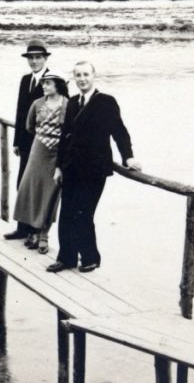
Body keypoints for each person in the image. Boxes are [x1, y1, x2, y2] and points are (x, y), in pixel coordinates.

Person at [47, 61, 141, 273]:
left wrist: (128, 158)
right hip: (71, 168)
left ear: (94, 76)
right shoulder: (72, 102)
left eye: (86, 74)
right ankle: (67, 258)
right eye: (78, 75)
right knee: (66, 213)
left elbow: (119, 132)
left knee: (83, 212)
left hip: (94, 169)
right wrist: (59, 167)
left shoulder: (106, 102)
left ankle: (90, 257)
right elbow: (65, 137)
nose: (82, 79)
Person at [12, 73, 69, 253]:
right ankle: (32, 231)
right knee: (31, 187)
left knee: (51, 191)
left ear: (57, 85)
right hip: (39, 149)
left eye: (48, 83)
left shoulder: (68, 104)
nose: (44, 86)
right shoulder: (37, 104)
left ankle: (44, 234)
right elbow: (29, 126)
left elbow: (70, 129)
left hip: (58, 152)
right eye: (43, 83)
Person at [3, 40, 53, 242]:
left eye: (38, 57)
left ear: (45, 58)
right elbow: (20, 112)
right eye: (31, 58)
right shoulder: (25, 80)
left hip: (43, 145)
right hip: (25, 143)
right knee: (22, 184)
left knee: (38, 187)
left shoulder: (53, 82)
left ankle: (35, 232)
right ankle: (22, 228)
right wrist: (16, 140)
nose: (34, 61)